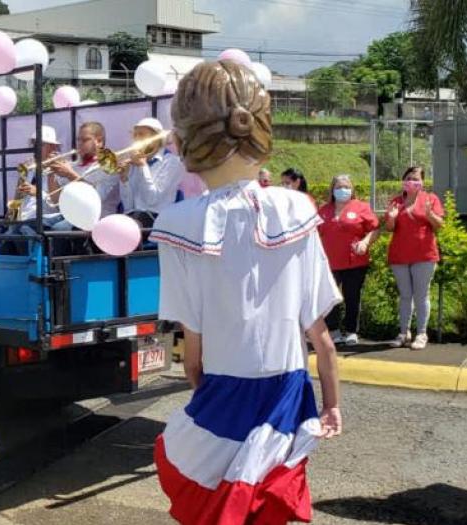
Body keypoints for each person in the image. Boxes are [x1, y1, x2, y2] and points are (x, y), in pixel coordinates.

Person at [149, 60, 342, 525]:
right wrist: (332, 404)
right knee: (271, 504)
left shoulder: (178, 224)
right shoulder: (297, 209)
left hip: (225, 389)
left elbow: (191, 348)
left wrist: (202, 388)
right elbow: (320, 335)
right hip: (290, 392)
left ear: (185, 141)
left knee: (211, 502)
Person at [383, 166, 443, 350]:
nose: (412, 181)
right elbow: (389, 228)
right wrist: (391, 218)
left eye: (416, 178)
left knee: (421, 295)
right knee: (405, 296)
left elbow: (439, 225)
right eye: (409, 178)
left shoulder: (430, 199)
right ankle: (403, 333)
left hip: (424, 255)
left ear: (422, 182)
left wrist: (429, 214)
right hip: (400, 256)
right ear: (403, 181)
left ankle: (422, 333)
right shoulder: (396, 201)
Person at [317, 175, 379, 345]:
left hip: (354, 262)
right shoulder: (324, 210)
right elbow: (314, 233)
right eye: (338, 187)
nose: (342, 190)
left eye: (346, 186)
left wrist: (365, 242)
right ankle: (334, 330)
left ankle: (351, 331)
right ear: (332, 190)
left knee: (352, 296)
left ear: (352, 189)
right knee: (331, 297)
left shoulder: (361, 207)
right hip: (329, 263)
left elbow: (375, 229)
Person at [118, 117, 183, 215]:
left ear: (156, 138)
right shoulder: (135, 162)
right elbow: (128, 206)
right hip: (135, 219)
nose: (137, 139)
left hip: (158, 220)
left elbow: (151, 200)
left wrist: (142, 166)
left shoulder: (173, 162)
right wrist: (124, 179)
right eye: (135, 135)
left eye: (141, 134)